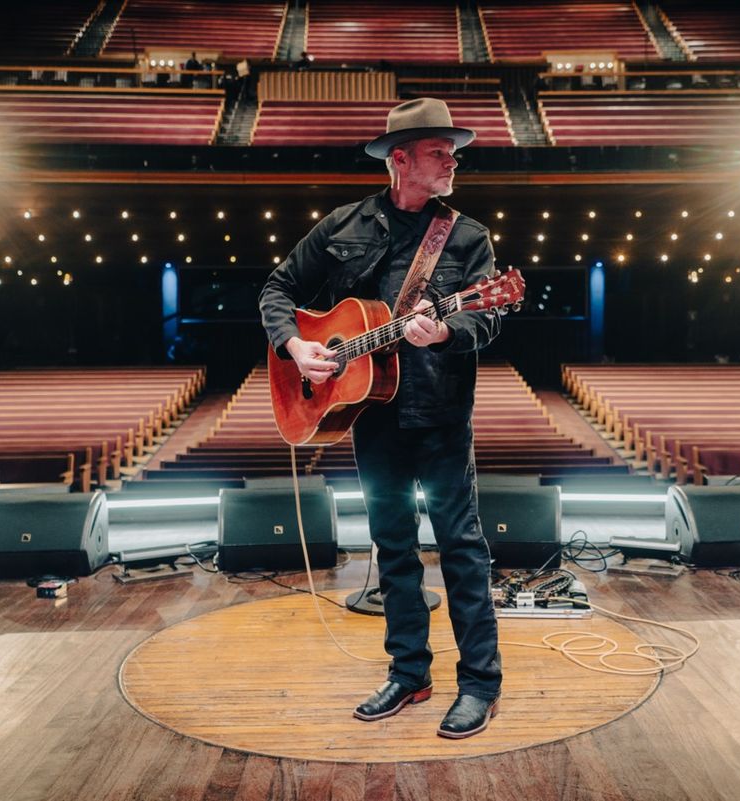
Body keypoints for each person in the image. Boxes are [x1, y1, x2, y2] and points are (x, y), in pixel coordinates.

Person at [259, 98, 503, 739]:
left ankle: (479, 684)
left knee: (460, 549)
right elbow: (277, 290)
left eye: (454, 151)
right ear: (400, 159)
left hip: (443, 415)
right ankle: (409, 673)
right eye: (438, 151)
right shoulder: (344, 224)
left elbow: (488, 314)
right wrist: (298, 346)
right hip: (372, 417)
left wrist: (446, 331)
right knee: (393, 549)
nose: (452, 160)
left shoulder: (469, 237)